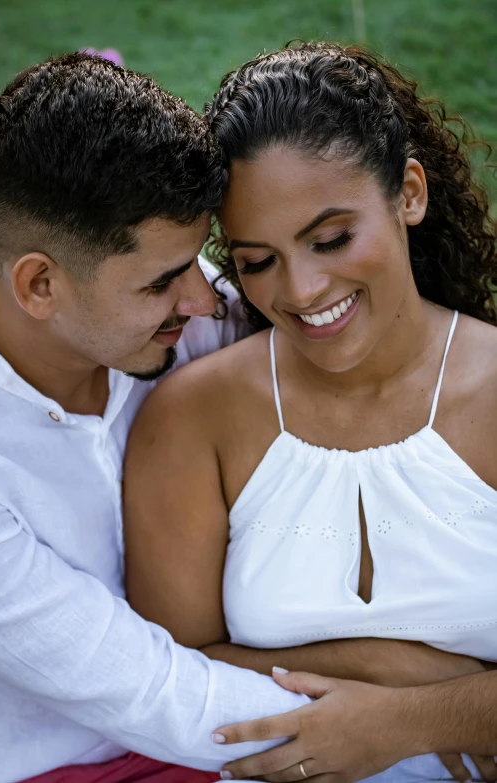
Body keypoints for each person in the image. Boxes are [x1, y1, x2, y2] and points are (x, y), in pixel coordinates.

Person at [123, 42, 497, 783]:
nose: (300, 288)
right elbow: (166, 671)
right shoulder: (193, 416)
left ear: (409, 193)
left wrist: (404, 718)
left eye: (330, 238)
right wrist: (381, 662)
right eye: (257, 260)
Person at [0, 52, 320, 783]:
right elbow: (152, 690)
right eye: (164, 280)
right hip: (63, 764)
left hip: (225, 706)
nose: (204, 300)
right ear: (40, 284)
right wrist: (418, 721)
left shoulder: (182, 325)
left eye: (197, 262)